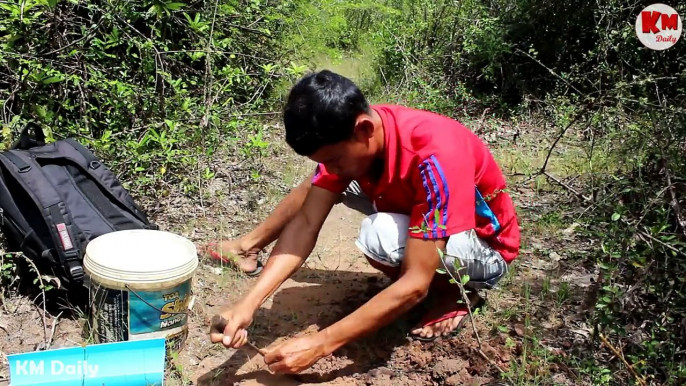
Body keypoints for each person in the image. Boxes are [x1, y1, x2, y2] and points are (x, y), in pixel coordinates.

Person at [207, 70, 520, 374]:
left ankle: (454, 295)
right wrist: (248, 304)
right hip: (419, 209)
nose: (331, 168)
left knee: (379, 236)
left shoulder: (436, 156)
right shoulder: (357, 135)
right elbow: (304, 224)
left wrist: (320, 344)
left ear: (365, 129)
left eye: (335, 159)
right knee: (319, 186)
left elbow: (414, 285)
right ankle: (248, 249)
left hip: (483, 250)